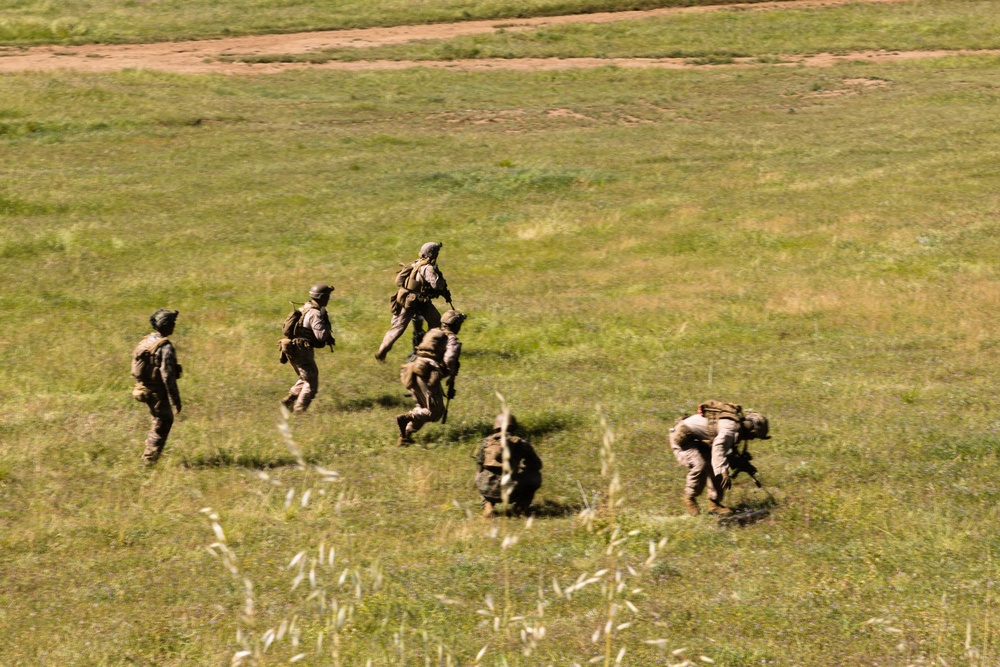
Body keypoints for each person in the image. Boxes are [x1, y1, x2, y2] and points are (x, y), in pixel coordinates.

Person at [669, 401, 770, 516]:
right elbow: (719, 447)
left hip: (698, 441)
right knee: (701, 464)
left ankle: (714, 505)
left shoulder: (735, 428)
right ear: (751, 430)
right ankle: (690, 497)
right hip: (683, 438)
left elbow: (723, 454)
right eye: (754, 436)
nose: (752, 439)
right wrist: (723, 470)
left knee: (717, 465)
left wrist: (740, 463)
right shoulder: (731, 429)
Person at [376, 242, 452, 361]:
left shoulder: (415, 263)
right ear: (433, 254)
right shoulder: (428, 268)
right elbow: (436, 285)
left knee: (397, 328)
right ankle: (428, 348)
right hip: (419, 302)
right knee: (435, 321)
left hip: (406, 300)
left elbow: (398, 282)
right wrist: (441, 282)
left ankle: (382, 351)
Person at [131, 309, 182, 465]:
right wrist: (175, 400)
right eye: (172, 323)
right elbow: (168, 376)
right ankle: (149, 460)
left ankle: (150, 453)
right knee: (164, 421)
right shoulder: (165, 347)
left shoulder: (146, 340)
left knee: (159, 419)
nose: (174, 326)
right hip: (156, 391)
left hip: (142, 387)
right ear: (165, 325)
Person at [279, 284, 335, 413]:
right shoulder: (315, 314)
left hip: (294, 348)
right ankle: (299, 410)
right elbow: (321, 336)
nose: (328, 299)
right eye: (327, 296)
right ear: (322, 298)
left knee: (307, 377)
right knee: (311, 384)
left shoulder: (305, 307)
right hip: (302, 351)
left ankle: (289, 400)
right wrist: (326, 325)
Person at [476, 414, 543, 517]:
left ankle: (488, 506)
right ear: (514, 427)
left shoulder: (486, 442)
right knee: (536, 476)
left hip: (487, 490)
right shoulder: (521, 443)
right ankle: (520, 507)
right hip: (511, 491)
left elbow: (479, 466)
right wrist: (523, 467)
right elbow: (536, 465)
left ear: (496, 427)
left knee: (481, 476)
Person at [395, 328, 450, 446]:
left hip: (412, 368)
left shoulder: (432, 332)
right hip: (426, 372)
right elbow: (449, 360)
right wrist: (450, 371)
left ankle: (405, 437)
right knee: (435, 412)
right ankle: (407, 418)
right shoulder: (449, 338)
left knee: (421, 407)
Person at [440, 310, 466, 403]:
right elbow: (450, 359)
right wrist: (450, 373)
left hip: (412, 373)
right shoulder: (452, 340)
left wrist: (452, 380)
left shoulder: (432, 333)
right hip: (428, 377)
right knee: (435, 410)